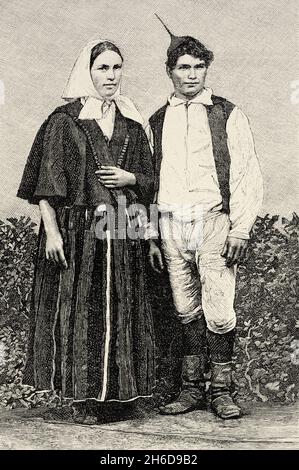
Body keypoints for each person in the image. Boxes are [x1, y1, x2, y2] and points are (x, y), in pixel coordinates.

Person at [17, 38, 155, 424]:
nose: (111, 76)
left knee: (122, 309)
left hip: (122, 230)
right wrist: (52, 234)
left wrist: (132, 181)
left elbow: (149, 181)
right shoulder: (64, 121)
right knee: (81, 312)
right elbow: (44, 185)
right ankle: (83, 399)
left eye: (116, 68)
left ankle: (119, 397)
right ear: (87, 72)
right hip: (77, 232)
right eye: (102, 69)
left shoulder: (131, 121)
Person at [147, 17, 263, 419]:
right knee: (185, 309)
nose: (191, 74)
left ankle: (222, 391)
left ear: (206, 70)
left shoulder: (228, 114)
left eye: (199, 66)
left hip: (215, 222)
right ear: (170, 71)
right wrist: (152, 235)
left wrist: (242, 229)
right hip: (171, 226)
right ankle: (192, 390)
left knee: (218, 310)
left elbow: (248, 173)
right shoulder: (157, 120)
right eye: (184, 67)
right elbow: (150, 181)